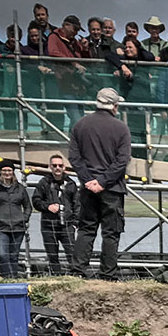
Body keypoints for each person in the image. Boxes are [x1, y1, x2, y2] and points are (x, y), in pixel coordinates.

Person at [68, 88, 131, 280]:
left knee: (86, 229)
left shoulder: (80, 125)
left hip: (88, 189)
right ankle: (107, 274)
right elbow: (122, 160)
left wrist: (88, 180)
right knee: (111, 233)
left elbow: (74, 157)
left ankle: (78, 271)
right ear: (115, 105)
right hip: (112, 188)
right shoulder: (121, 128)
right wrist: (103, 181)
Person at [0, 163, 31, 278]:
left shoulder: (20, 188)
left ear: (13, 172)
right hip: (0, 227)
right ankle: (6, 277)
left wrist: (24, 218)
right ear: (0, 171)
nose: (7, 173)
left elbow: (28, 206)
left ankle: (13, 279)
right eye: (4, 170)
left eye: (9, 170)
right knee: (2, 254)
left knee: (14, 255)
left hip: (18, 227)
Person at [33, 154, 78, 274]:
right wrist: (47, 207)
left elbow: (77, 204)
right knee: (52, 254)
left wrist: (75, 223)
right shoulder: (43, 183)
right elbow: (36, 201)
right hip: (49, 224)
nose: (57, 168)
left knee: (72, 252)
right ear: (50, 167)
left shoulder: (70, 183)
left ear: (64, 167)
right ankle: (56, 276)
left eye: (60, 165)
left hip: (67, 225)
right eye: (54, 165)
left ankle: (76, 276)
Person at [47, 15, 88, 128]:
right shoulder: (54, 37)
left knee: (79, 118)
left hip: (78, 86)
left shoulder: (75, 43)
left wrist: (85, 49)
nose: (76, 32)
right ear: (66, 25)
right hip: (64, 84)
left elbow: (85, 61)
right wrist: (73, 63)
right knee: (77, 119)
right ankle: (75, 143)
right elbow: (53, 52)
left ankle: (73, 143)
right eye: (75, 29)